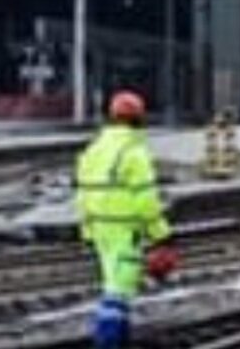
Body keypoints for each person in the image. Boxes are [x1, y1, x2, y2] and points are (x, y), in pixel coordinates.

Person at [76, 90, 177, 349]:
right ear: (139, 119)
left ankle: (119, 338)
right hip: (124, 229)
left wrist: (87, 232)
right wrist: (161, 233)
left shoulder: (93, 149)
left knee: (112, 283)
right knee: (119, 291)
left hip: (100, 229)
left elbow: (83, 195)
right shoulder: (134, 153)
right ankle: (108, 342)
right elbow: (146, 201)